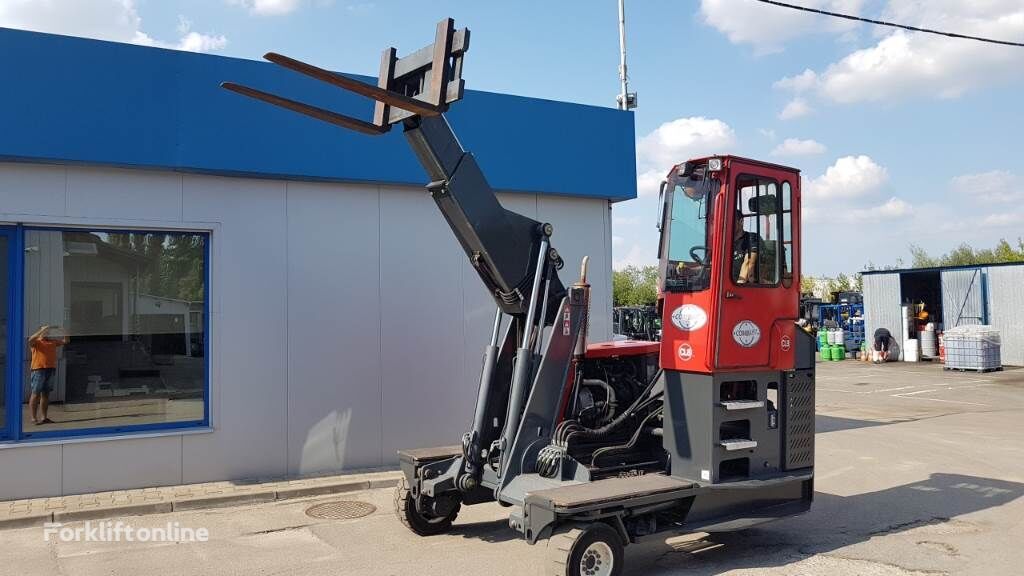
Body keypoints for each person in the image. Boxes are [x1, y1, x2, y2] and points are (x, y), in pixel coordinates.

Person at [28, 324, 68, 425]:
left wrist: (63, 330)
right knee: (35, 393)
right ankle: (33, 418)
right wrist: (42, 330)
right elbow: (30, 340)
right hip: (38, 369)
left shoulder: (52, 341)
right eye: (45, 331)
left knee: (46, 394)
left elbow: (66, 341)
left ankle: (44, 417)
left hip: (50, 369)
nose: (47, 333)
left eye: (48, 331)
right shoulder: (36, 342)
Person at [732, 210, 761, 284]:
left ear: (741, 221)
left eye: (731, 221)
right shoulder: (723, 244)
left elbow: (749, 262)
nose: (727, 225)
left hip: (743, 287)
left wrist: (739, 284)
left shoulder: (751, 237)